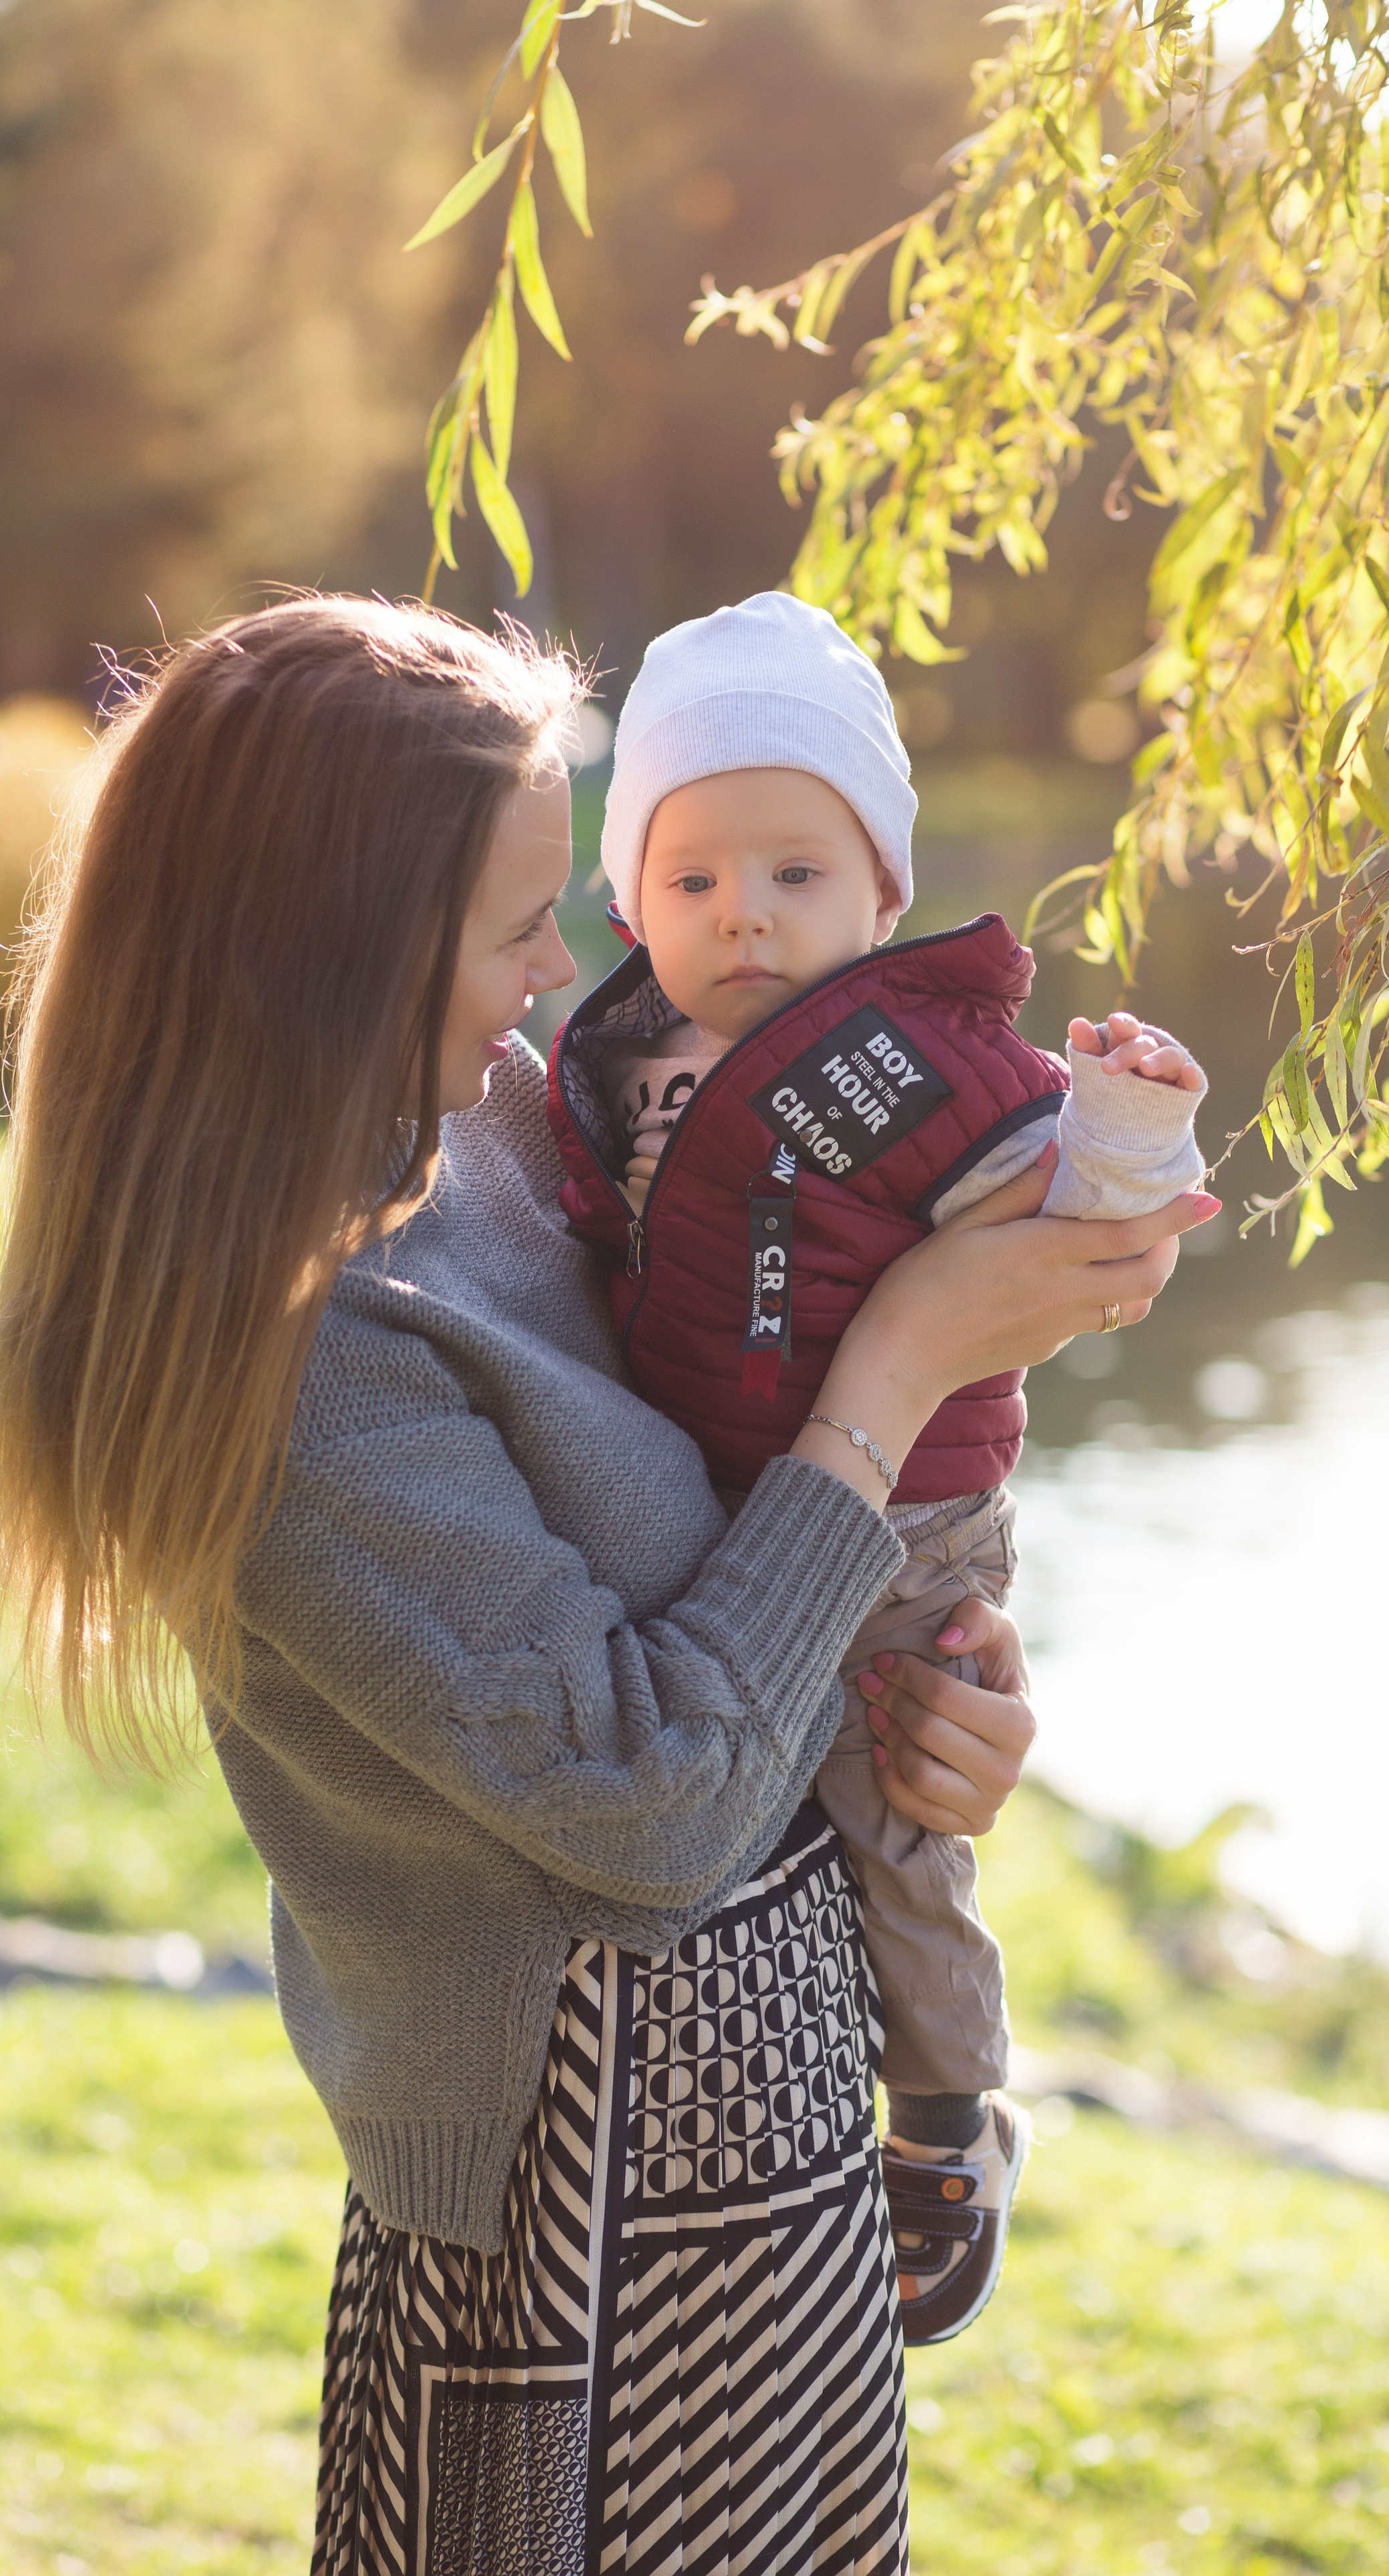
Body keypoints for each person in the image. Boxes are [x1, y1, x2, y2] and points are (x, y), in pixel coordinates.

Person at [0, 595, 1211, 2576]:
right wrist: (901, 1364)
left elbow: (728, 1511)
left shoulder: (484, 1136)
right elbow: (648, 1807)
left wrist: (927, 1687)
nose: (564, 974)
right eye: (511, 930)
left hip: (770, 2151)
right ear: (332, 951)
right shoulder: (302, 1354)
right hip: (580, 2224)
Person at [549, 591, 1210, 2345]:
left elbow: (1071, 1219)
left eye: (795, 873)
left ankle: (947, 2113)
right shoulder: (608, 1067)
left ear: (882, 899)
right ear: (629, 902)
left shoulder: (904, 1065)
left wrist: (1129, 1124)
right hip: (723, 1508)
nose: (744, 916)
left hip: (905, 1516)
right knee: (752, 1790)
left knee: (901, 1809)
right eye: (694, 879)